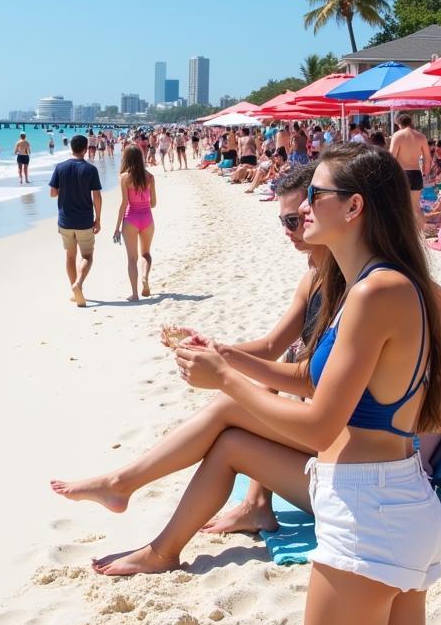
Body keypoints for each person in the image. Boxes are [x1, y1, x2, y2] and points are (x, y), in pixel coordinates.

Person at [91, 144, 441, 625]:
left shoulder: (375, 293)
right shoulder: (374, 285)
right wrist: (224, 357)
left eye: (313, 197)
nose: (298, 207)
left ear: (354, 208)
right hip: (396, 502)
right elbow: (306, 377)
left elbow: (321, 423)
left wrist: (224, 380)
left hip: (370, 510)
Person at [53, 164, 325, 530]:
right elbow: (272, 345)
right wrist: (213, 349)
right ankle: (253, 504)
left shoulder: (359, 287)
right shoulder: (315, 275)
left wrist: (225, 371)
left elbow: (309, 379)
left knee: (234, 405)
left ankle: (122, 485)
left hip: (344, 464)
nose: (291, 231)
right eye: (285, 222)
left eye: (296, 220)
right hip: (325, 446)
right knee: (243, 408)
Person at [48, 134, 102, 307]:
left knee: (70, 256)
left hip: (65, 221)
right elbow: (97, 197)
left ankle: (74, 291)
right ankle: (78, 283)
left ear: (71, 148)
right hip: (84, 220)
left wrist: (65, 189)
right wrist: (98, 219)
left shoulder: (60, 167)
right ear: (86, 149)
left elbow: (52, 193)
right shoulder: (90, 169)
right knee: (87, 255)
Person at [113, 145, 157, 301]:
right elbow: (153, 204)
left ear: (126, 158)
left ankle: (135, 294)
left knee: (132, 259)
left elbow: (124, 203)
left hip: (131, 218)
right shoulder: (150, 177)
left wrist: (117, 228)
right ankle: (145, 278)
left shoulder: (124, 177)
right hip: (147, 219)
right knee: (146, 253)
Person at [390, 113, 432, 221]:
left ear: (399, 124)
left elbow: (391, 157)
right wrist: (426, 173)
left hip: (402, 173)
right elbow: (428, 158)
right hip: (416, 173)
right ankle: (420, 234)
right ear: (411, 122)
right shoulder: (421, 136)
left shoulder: (398, 136)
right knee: (416, 208)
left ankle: (403, 235)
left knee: (400, 207)